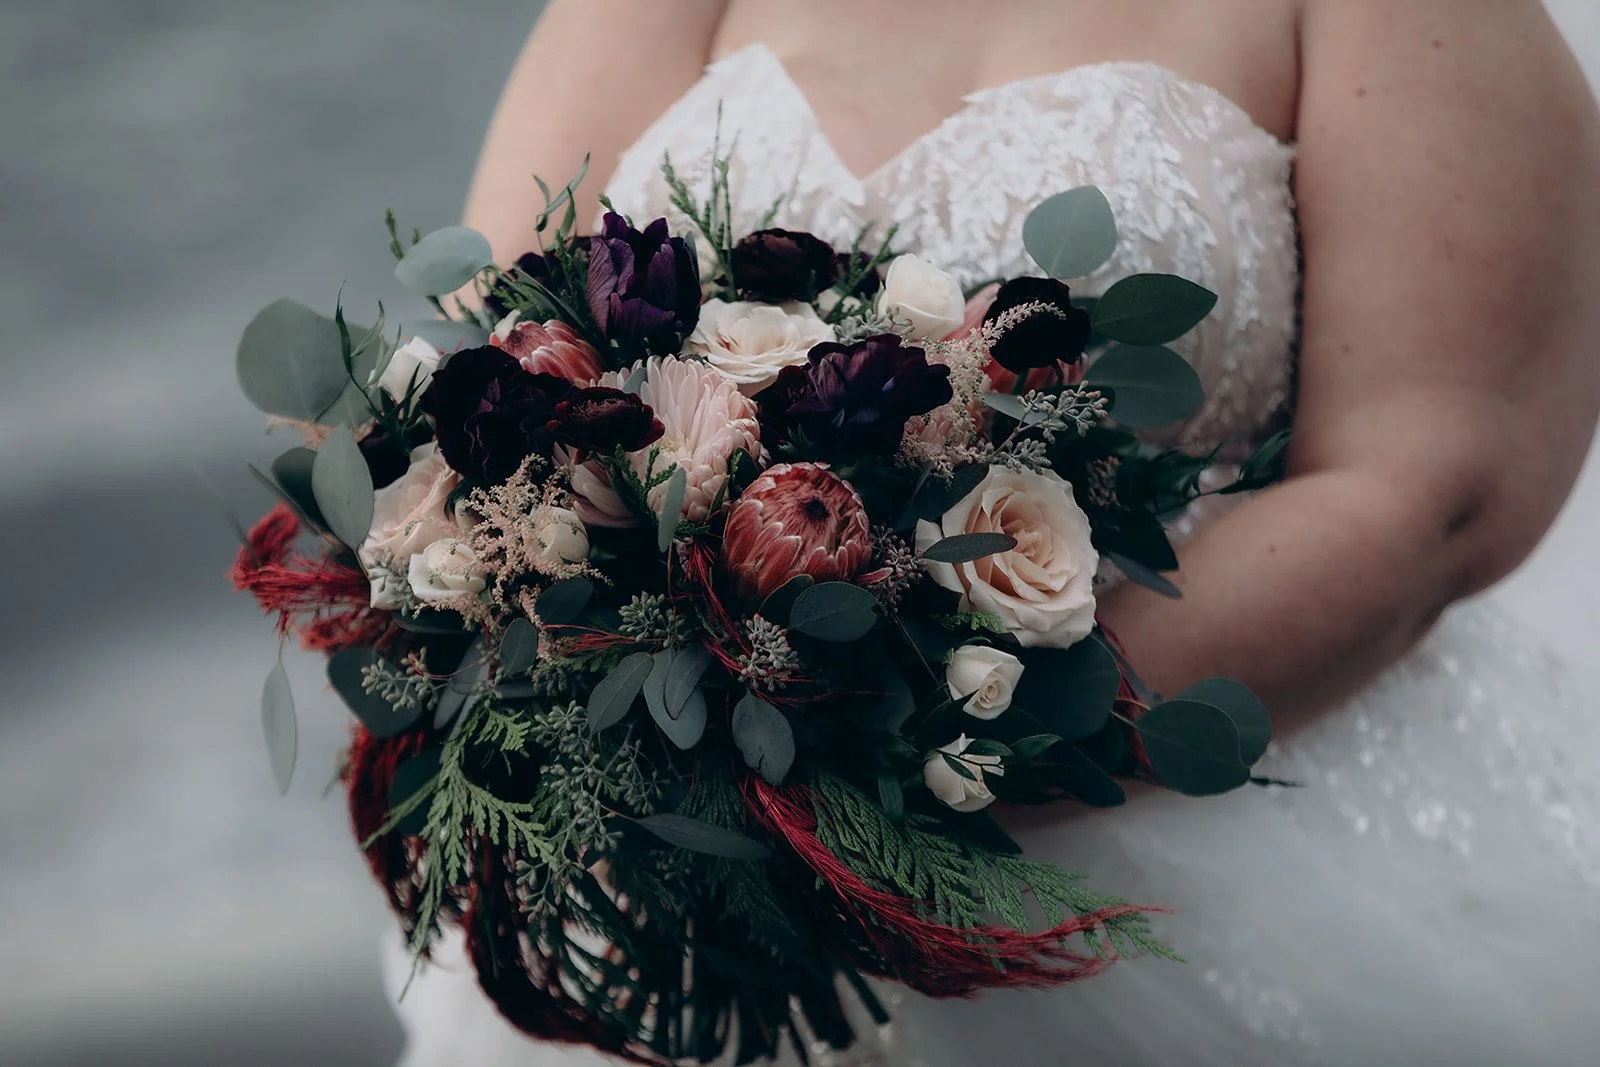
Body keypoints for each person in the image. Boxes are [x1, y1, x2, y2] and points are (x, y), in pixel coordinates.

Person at [386, 1, 1600, 1062]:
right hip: (687, 878)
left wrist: (904, 757)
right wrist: (674, 729)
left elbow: (1433, 484)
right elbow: (500, 360)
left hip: (1191, 837)